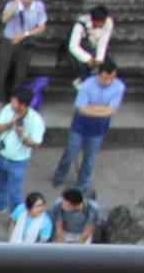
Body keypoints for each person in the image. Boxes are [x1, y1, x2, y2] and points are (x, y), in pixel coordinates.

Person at [52, 58, 124, 195]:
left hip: (98, 129)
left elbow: (112, 110)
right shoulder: (87, 85)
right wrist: (102, 110)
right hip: (80, 125)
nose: (108, 82)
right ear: (98, 74)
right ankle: (59, 177)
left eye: (112, 78)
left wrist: (92, 109)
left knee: (90, 158)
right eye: (105, 78)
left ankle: (82, 184)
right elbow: (81, 108)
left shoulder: (119, 86)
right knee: (70, 153)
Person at [0, 86, 45, 215]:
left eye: (14, 101)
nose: (11, 102)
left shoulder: (36, 120)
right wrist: (9, 124)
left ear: (23, 105)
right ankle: (1, 205)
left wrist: (22, 136)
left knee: (15, 191)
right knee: (0, 185)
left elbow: (36, 144)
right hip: (1, 156)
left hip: (18, 162)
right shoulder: (8, 109)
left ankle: (17, 214)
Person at [0, 0, 48, 103]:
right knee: (3, 70)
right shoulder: (12, 5)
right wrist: (16, 2)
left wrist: (25, 34)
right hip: (9, 40)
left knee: (21, 73)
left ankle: (15, 100)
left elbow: (42, 26)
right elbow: (4, 19)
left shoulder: (39, 6)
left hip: (26, 41)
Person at [65, 5, 114, 75]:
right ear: (93, 20)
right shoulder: (80, 25)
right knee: (84, 67)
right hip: (82, 49)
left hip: (95, 47)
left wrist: (99, 59)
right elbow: (73, 46)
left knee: (108, 63)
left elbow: (103, 42)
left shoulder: (108, 22)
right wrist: (88, 59)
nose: (103, 24)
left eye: (104, 21)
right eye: (100, 22)